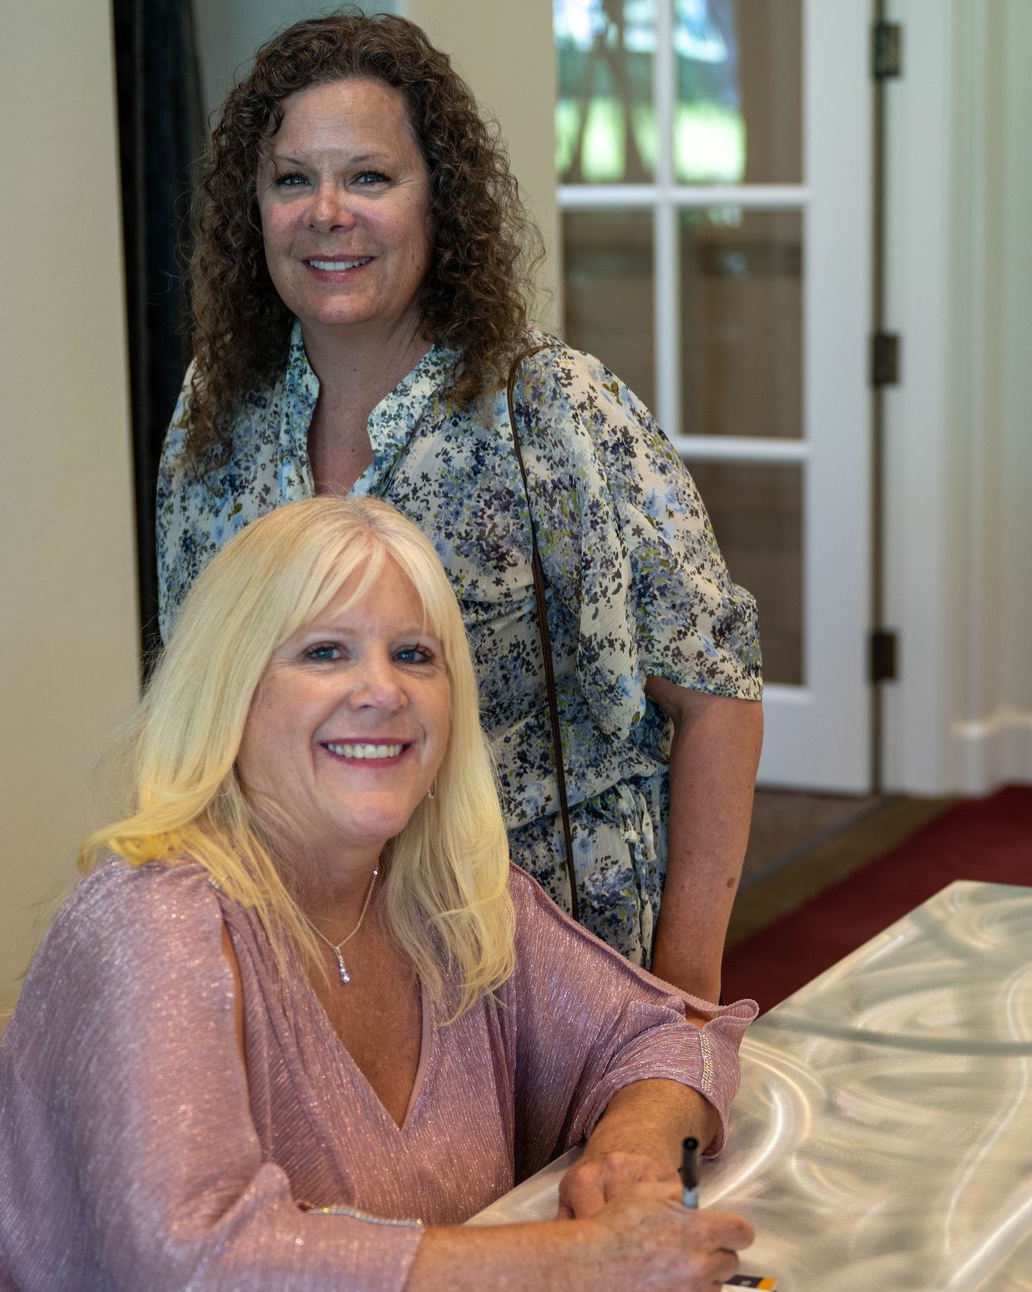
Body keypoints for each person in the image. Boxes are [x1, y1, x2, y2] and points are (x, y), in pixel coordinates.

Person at [0, 498, 758, 1292]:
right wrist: (579, 1266)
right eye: (324, 652)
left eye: (415, 655)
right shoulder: (151, 925)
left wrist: (633, 1152)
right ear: (231, 691)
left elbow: (661, 1032)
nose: (381, 691)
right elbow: (205, 1279)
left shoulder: (451, 895)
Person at [157, 12, 764, 1002]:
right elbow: (200, 710)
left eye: (368, 177)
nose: (327, 211)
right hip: (315, 962)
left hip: (552, 960)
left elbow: (718, 694)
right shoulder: (215, 410)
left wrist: (685, 987)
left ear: (439, 202)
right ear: (252, 209)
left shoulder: (552, 407)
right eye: (292, 179)